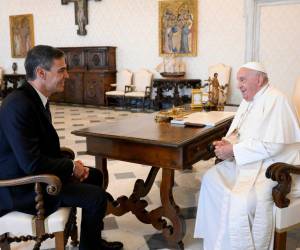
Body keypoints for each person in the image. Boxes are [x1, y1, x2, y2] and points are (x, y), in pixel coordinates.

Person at [0, 45, 123, 250]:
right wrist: (70, 167)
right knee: (96, 197)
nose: (67, 75)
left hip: (36, 176)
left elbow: (42, 149)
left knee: (96, 176)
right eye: (61, 70)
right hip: (22, 188)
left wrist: (71, 166)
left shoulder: (35, 99)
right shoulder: (18, 105)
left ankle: (91, 242)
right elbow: (31, 163)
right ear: (41, 73)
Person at [194, 62, 300, 250]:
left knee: (244, 201)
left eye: (242, 80)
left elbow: (274, 145)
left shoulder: (277, 99)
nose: (238, 85)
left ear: (259, 79)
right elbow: (239, 131)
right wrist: (228, 143)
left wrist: (233, 151)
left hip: (274, 167)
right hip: (249, 161)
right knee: (210, 179)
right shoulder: (249, 101)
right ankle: (217, 243)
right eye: (238, 80)